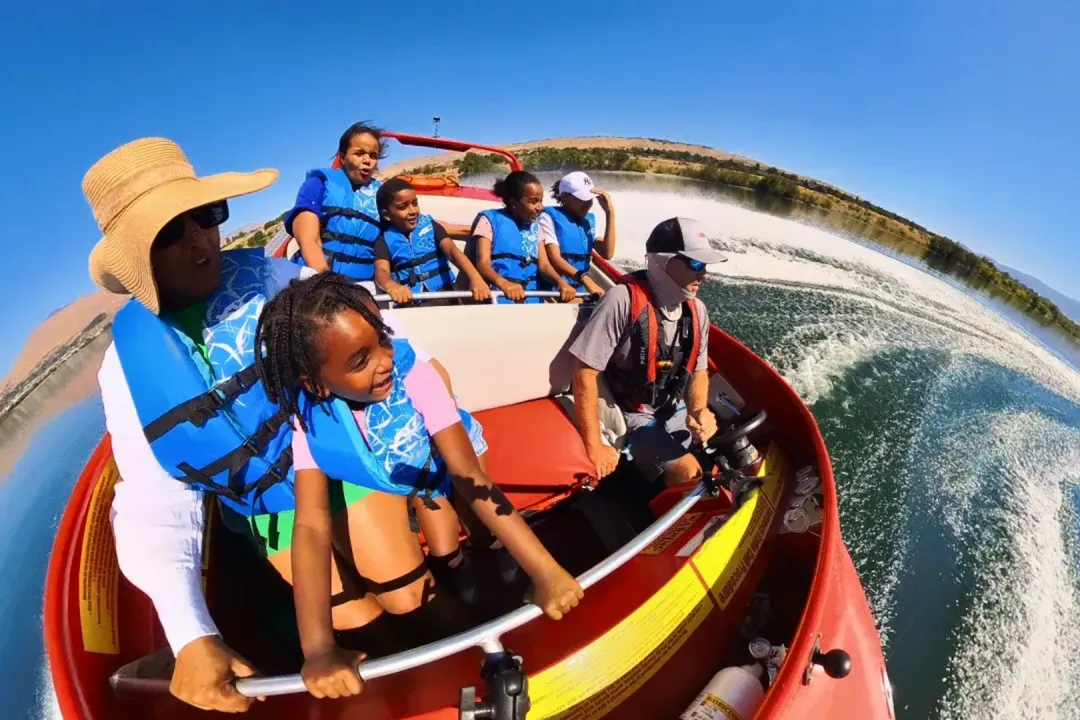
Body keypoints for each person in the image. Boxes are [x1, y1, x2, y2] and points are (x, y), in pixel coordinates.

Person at [84, 137, 429, 713]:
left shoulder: (276, 281)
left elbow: (373, 351)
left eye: (204, 216)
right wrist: (191, 634)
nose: (199, 239)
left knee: (405, 593)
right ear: (135, 257)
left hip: (337, 458)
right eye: (170, 232)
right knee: (355, 620)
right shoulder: (125, 368)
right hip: (270, 502)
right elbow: (152, 498)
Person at [254, 272, 584, 699]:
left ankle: (506, 575)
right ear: (316, 384)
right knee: (446, 560)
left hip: (450, 458)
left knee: (483, 537)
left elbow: (470, 476)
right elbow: (312, 526)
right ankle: (467, 598)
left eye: (383, 341)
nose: (384, 361)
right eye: (359, 361)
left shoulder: (415, 376)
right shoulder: (311, 421)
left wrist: (546, 572)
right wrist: (317, 648)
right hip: (409, 481)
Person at [568, 217, 726, 487]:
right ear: (663, 261)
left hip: (672, 406)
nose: (703, 274)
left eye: (705, 266)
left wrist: (699, 409)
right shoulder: (621, 300)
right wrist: (594, 444)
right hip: (631, 411)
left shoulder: (697, 310)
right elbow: (583, 372)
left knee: (724, 455)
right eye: (695, 264)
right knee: (690, 474)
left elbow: (699, 370)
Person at [285, 122, 385, 280]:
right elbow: (309, 240)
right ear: (343, 157)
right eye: (359, 153)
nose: (367, 160)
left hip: (364, 286)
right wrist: (329, 283)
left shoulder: (383, 194)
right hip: (317, 280)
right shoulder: (318, 184)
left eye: (373, 155)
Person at [373, 177, 490, 304]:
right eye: (403, 207)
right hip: (410, 302)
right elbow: (381, 271)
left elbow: (452, 252)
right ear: (386, 215)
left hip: (445, 296)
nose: (413, 211)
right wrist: (391, 286)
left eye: (415, 203)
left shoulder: (431, 226)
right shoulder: (384, 239)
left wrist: (475, 279)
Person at [468, 170, 575, 304]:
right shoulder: (489, 220)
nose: (540, 207)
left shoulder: (537, 226)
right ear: (513, 203)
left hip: (532, 300)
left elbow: (544, 266)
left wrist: (560, 282)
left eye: (541, 201)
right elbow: (483, 264)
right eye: (533, 201)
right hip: (500, 299)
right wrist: (505, 284)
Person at [540, 171, 617, 297]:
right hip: (556, 290)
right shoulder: (547, 217)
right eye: (583, 199)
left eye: (590, 199)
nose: (588, 204)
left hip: (579, 290)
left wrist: (610, 212)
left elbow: (607, 253)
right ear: (565, 197)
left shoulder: (590, 220)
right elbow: (555, 258)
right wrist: (585, 279)